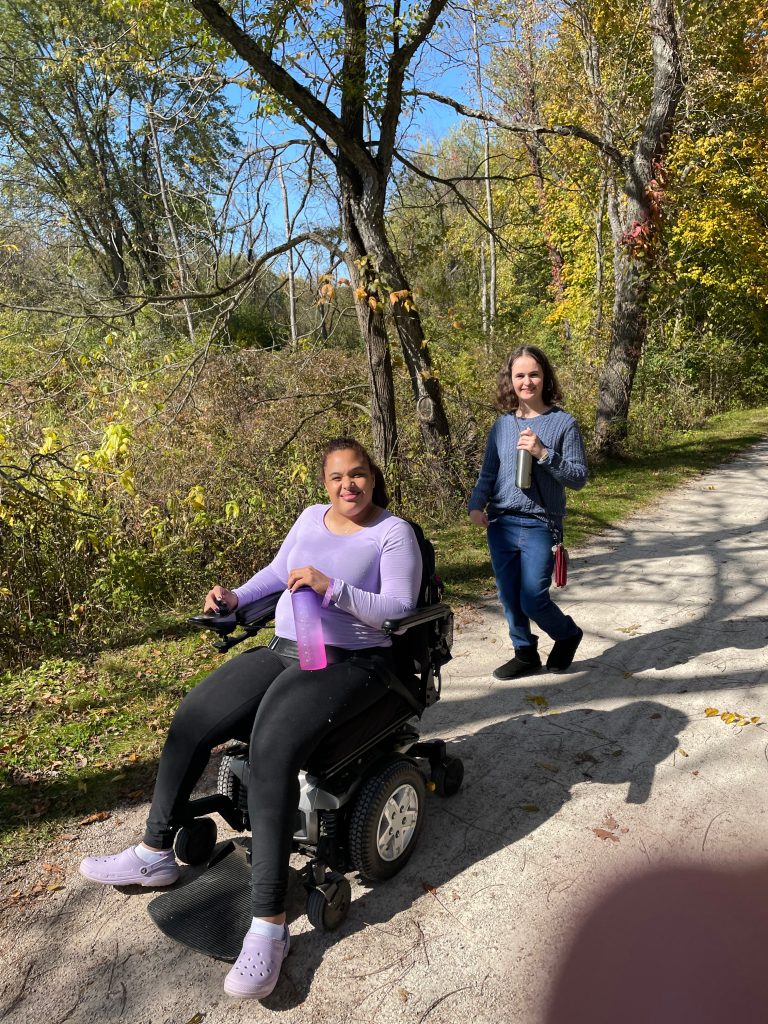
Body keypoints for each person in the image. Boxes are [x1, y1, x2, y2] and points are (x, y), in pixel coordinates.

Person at [79, 437, 422, 1001]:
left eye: (358, 474)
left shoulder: (392, 532)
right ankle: (154, 854)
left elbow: (400, 608)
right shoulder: (310, 517)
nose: (348, 486)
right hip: (286, 646)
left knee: (272, 748)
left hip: (351, 660)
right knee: (194, 717)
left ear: (372, 475)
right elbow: (278, 572)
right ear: (324, 483)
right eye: (337, 477)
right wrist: (235, 597)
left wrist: (331, 588)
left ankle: (269, 925)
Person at [468, 345, 587, 680]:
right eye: (519, 375)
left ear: (545, 377)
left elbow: (578, 478)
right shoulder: (502, 425)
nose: (527, 382)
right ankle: (524, 653)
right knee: (508, 595)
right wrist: (476, 504)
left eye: (534, 374)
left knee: (532, 598)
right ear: (510, 380)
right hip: (501, 522)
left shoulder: (564, 424)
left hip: (541, 524)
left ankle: (567, 634)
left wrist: (544, 453)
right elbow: (488, 472)